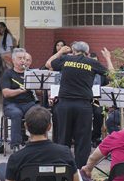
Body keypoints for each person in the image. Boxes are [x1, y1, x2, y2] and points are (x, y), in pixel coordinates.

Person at [46, 41, 114, 170]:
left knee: (63, 137)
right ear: (87, 52)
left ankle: (62, 167)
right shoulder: (91, 62)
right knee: (82, 139)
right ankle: (80, 170)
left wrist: (60, 52)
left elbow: (49, 64)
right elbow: (112, 75)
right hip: (83, 105)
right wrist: (108, 58)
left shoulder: (66, 59)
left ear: (73, 50)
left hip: (64, 104)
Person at [0, 48, 38, 152]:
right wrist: (20, 91)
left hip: (28, 103)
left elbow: (39, 92)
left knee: (38, 112)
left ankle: (37, 142)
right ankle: (15, 145)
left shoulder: (30, 73)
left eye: (25, 59)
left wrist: (39, 86)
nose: (23, 61)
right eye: (20, 58)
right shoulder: (8, 74)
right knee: (16, 114)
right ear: (13, 60)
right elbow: (6, 93)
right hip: (11, 104)